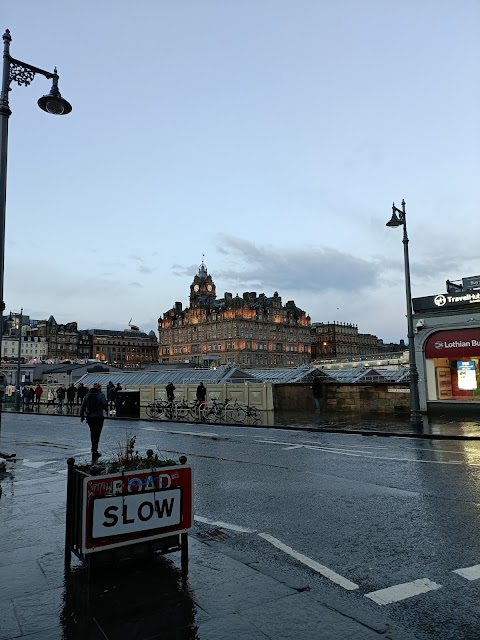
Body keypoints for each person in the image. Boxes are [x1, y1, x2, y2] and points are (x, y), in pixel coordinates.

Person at [80, 382, 108, 460]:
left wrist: (82, 416)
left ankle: (93, 449)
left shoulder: (87, 395)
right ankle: (95, 450)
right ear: (99, 389)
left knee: (92, 433)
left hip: (90, 417)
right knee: (97, 434)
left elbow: (82, 406)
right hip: (98, 416)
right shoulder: (100, 395)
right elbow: (105, 404)